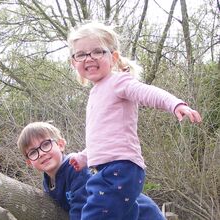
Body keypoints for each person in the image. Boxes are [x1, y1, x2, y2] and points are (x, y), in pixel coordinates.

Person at [68, 21, 202, 219]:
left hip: (119, 168)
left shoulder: (118, 81)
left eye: (97, 51)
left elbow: (148, 92)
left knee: (94, 213)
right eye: (81, 54)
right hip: (112, 169)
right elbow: (103, 137)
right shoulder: (96, 93)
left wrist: (175, 104)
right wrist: (84, 156)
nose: (89, 58)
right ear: (73, 62)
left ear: (113, 57)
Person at [17, 121, 165, 220]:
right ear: (29, 162)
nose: (42, 153)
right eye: (33, 152)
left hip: (140, 212)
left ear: (61, 144)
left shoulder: (75, 168)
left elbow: (82, 206)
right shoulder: (48, 182)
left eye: (45, 144)